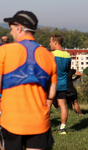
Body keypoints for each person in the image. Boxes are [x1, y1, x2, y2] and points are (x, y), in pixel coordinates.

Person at [0, 10, 57, 150]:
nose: (11, 32)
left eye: (11, 27)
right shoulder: (49, 56)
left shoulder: (4, 52)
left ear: (19, 28)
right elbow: (51, 94)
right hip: (39, 123)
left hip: (11, 122)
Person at [49, 34, 71, 134]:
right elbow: (68, 70)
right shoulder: (68, 55)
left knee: (47, 105)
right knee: (62, 105)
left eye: (50, 42)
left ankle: (45, 127)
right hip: (62, 83)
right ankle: (62, 128)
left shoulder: (51, 55)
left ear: (55, 42)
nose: (49, 44)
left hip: (52, 84)